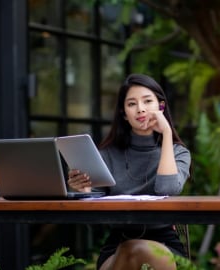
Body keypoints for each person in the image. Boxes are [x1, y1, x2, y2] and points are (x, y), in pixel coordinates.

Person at [67, 73, 191, 270]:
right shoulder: (106, 154)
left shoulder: (178, 153)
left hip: (165, 242)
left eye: (147, 101)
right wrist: (84, 192)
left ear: (161, 106)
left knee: (137, 249)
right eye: (131, 104)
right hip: (118, 244)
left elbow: (167, 189)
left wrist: (166, 133)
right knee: (130, 249)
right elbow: (94, 223)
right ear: (124, 113)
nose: (140, 109)